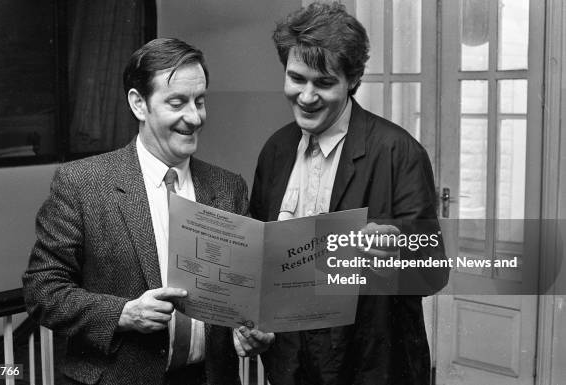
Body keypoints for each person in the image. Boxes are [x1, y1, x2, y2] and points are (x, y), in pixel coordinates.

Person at [23, 38, 251, 385]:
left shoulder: (228, 188)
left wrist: (251, 330)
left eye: (200, 101)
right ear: (138, 104)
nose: (194, 117)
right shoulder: (83, 183)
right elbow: (42, 289)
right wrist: (123, 313)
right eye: (177, 102)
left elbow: (240, 292)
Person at [249, 3, 449, 384]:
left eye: (324, 83)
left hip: (371, 366)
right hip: (290, 365)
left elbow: (432, 275)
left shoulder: (399, 152)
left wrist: (397, 254)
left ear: (352, 80)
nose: (306, 96)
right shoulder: (275, 151)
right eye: (296, 78)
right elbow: (258, 260)